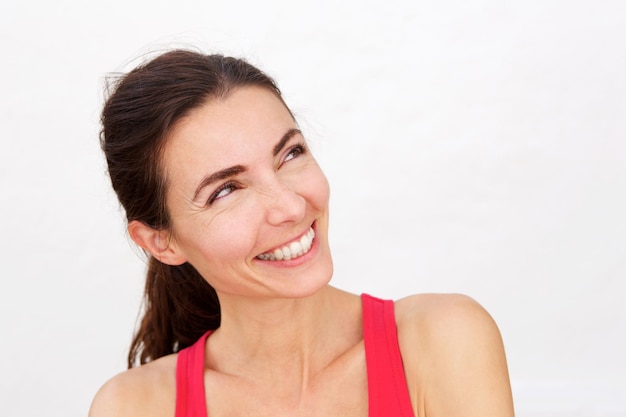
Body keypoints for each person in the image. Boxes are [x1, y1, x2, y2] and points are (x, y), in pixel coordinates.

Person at [89, 49, 514, 417]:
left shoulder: (442, 340)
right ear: (161, 241)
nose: (292, 206)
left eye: (290, 154)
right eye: (226, 190)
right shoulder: (133, 406)